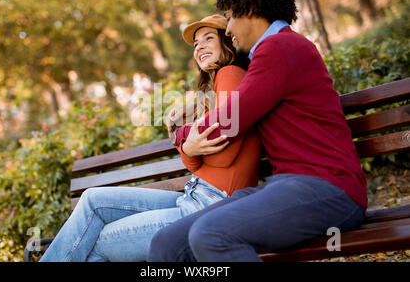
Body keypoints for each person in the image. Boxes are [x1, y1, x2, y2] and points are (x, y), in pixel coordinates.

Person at [147, 0, 368, 262]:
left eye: (230, 17)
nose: (228, 30)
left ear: (249, 9)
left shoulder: (280, 47)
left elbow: (229, 121)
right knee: (167, 243)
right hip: (286, 185)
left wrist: (181, 135)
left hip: (330, 188)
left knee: (211, 235)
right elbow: (238, 98)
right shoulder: (272, 53)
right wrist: (200, 104)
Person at [40, 14, 262, 262]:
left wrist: (183, 139)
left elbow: (224, 155)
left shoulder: (230, 73)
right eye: (196, 43)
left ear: (227, 43)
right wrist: (188, 145)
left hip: (212, 207)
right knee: (92, 199)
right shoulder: (212, 94)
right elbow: (194, 163)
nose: (199, 47)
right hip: (194, 197)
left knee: (95, 241)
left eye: (209, 38)